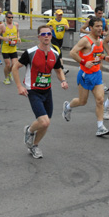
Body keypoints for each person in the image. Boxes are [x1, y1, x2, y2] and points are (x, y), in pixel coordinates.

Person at [13, 24, 68, 158]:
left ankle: (34, 146)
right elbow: (15, 67)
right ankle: (30, 130)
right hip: (33, 91)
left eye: (49, 34)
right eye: (43, 34)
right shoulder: (30, 52)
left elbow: (58, 70)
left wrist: (63, 80)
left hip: (47, 91)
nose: (46, 37)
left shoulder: (55, 53)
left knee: (45, 123)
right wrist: (20, 86)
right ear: (39, 37)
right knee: (44, 122)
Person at [62, 17, 109, 137]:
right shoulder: (85, 40)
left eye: (101, 26)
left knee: (100, 100)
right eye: (97, 26)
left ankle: (100, 127)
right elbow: (72, 53)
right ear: (90, 28)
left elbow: (98, 54)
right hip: (85, 75)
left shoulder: (100, 41)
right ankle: (68, 106)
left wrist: (105, 58)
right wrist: (83, 62)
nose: (100, 28)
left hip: (96, 75)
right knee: (82, 101)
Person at [0, 11, 20, 84]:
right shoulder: (2, 26)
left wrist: (18, 37)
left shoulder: (16, 24)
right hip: (5, 48)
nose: (11, 19)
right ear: (6, 18)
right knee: (7, 64)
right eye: (9, 17)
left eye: (12, 17)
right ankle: (6, 78)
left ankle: (9, 72)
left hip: (13, 48)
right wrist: (3, 38)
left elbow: (17, 32)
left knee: (14, 64)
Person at [47, 9, 70, 74]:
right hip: (54, 39)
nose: (60, 16)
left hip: (61, 39)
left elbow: (68, 27)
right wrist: (50, 28)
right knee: (59, 52)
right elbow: (46, 26)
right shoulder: (52, 21)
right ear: (56, 14)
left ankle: (49, 63)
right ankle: (62, 68)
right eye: (59, 15)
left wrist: (66, 27)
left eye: (61, 15)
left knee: (56, 53)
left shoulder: (64, 20)